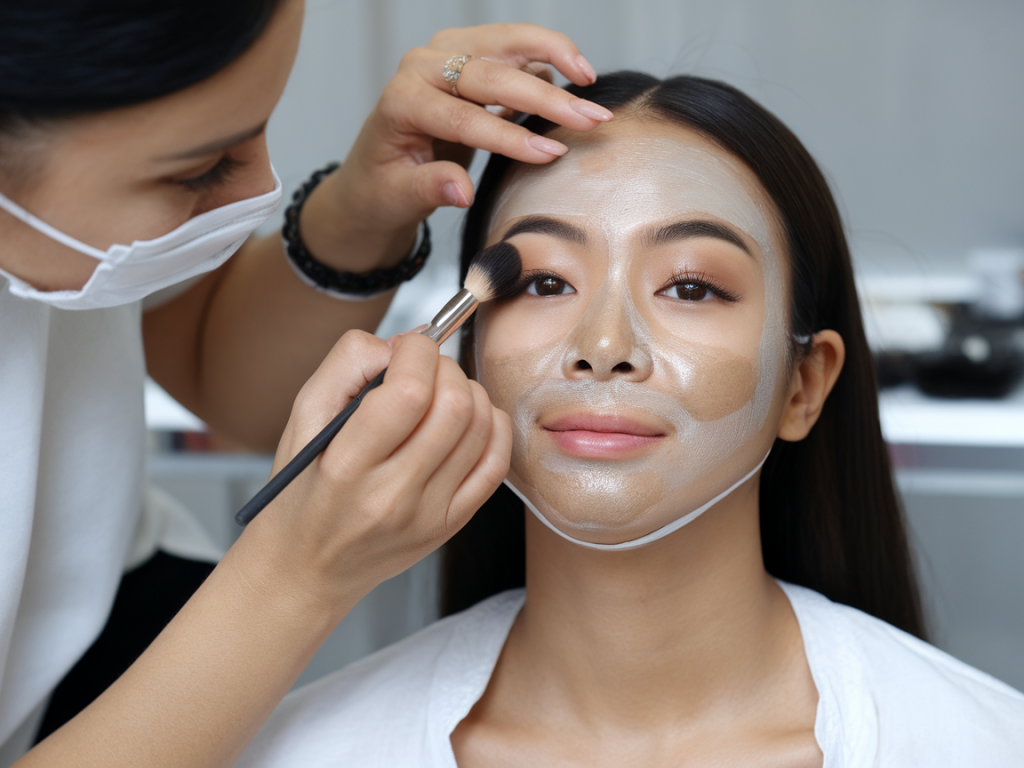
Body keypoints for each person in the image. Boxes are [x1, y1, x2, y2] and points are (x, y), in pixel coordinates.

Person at [236, 72, 1024, 767]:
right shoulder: (294, 748)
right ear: (469, 356)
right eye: (544, 282)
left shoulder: (983, 744)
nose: (603, 347)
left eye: (690, 287)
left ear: (803, 387)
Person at [0, 0, 617, 764]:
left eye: (691, 287)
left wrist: (362, 210)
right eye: (201, 168)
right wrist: (293, 579)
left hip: (127, 627)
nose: (262, 186)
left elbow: (225, 383)